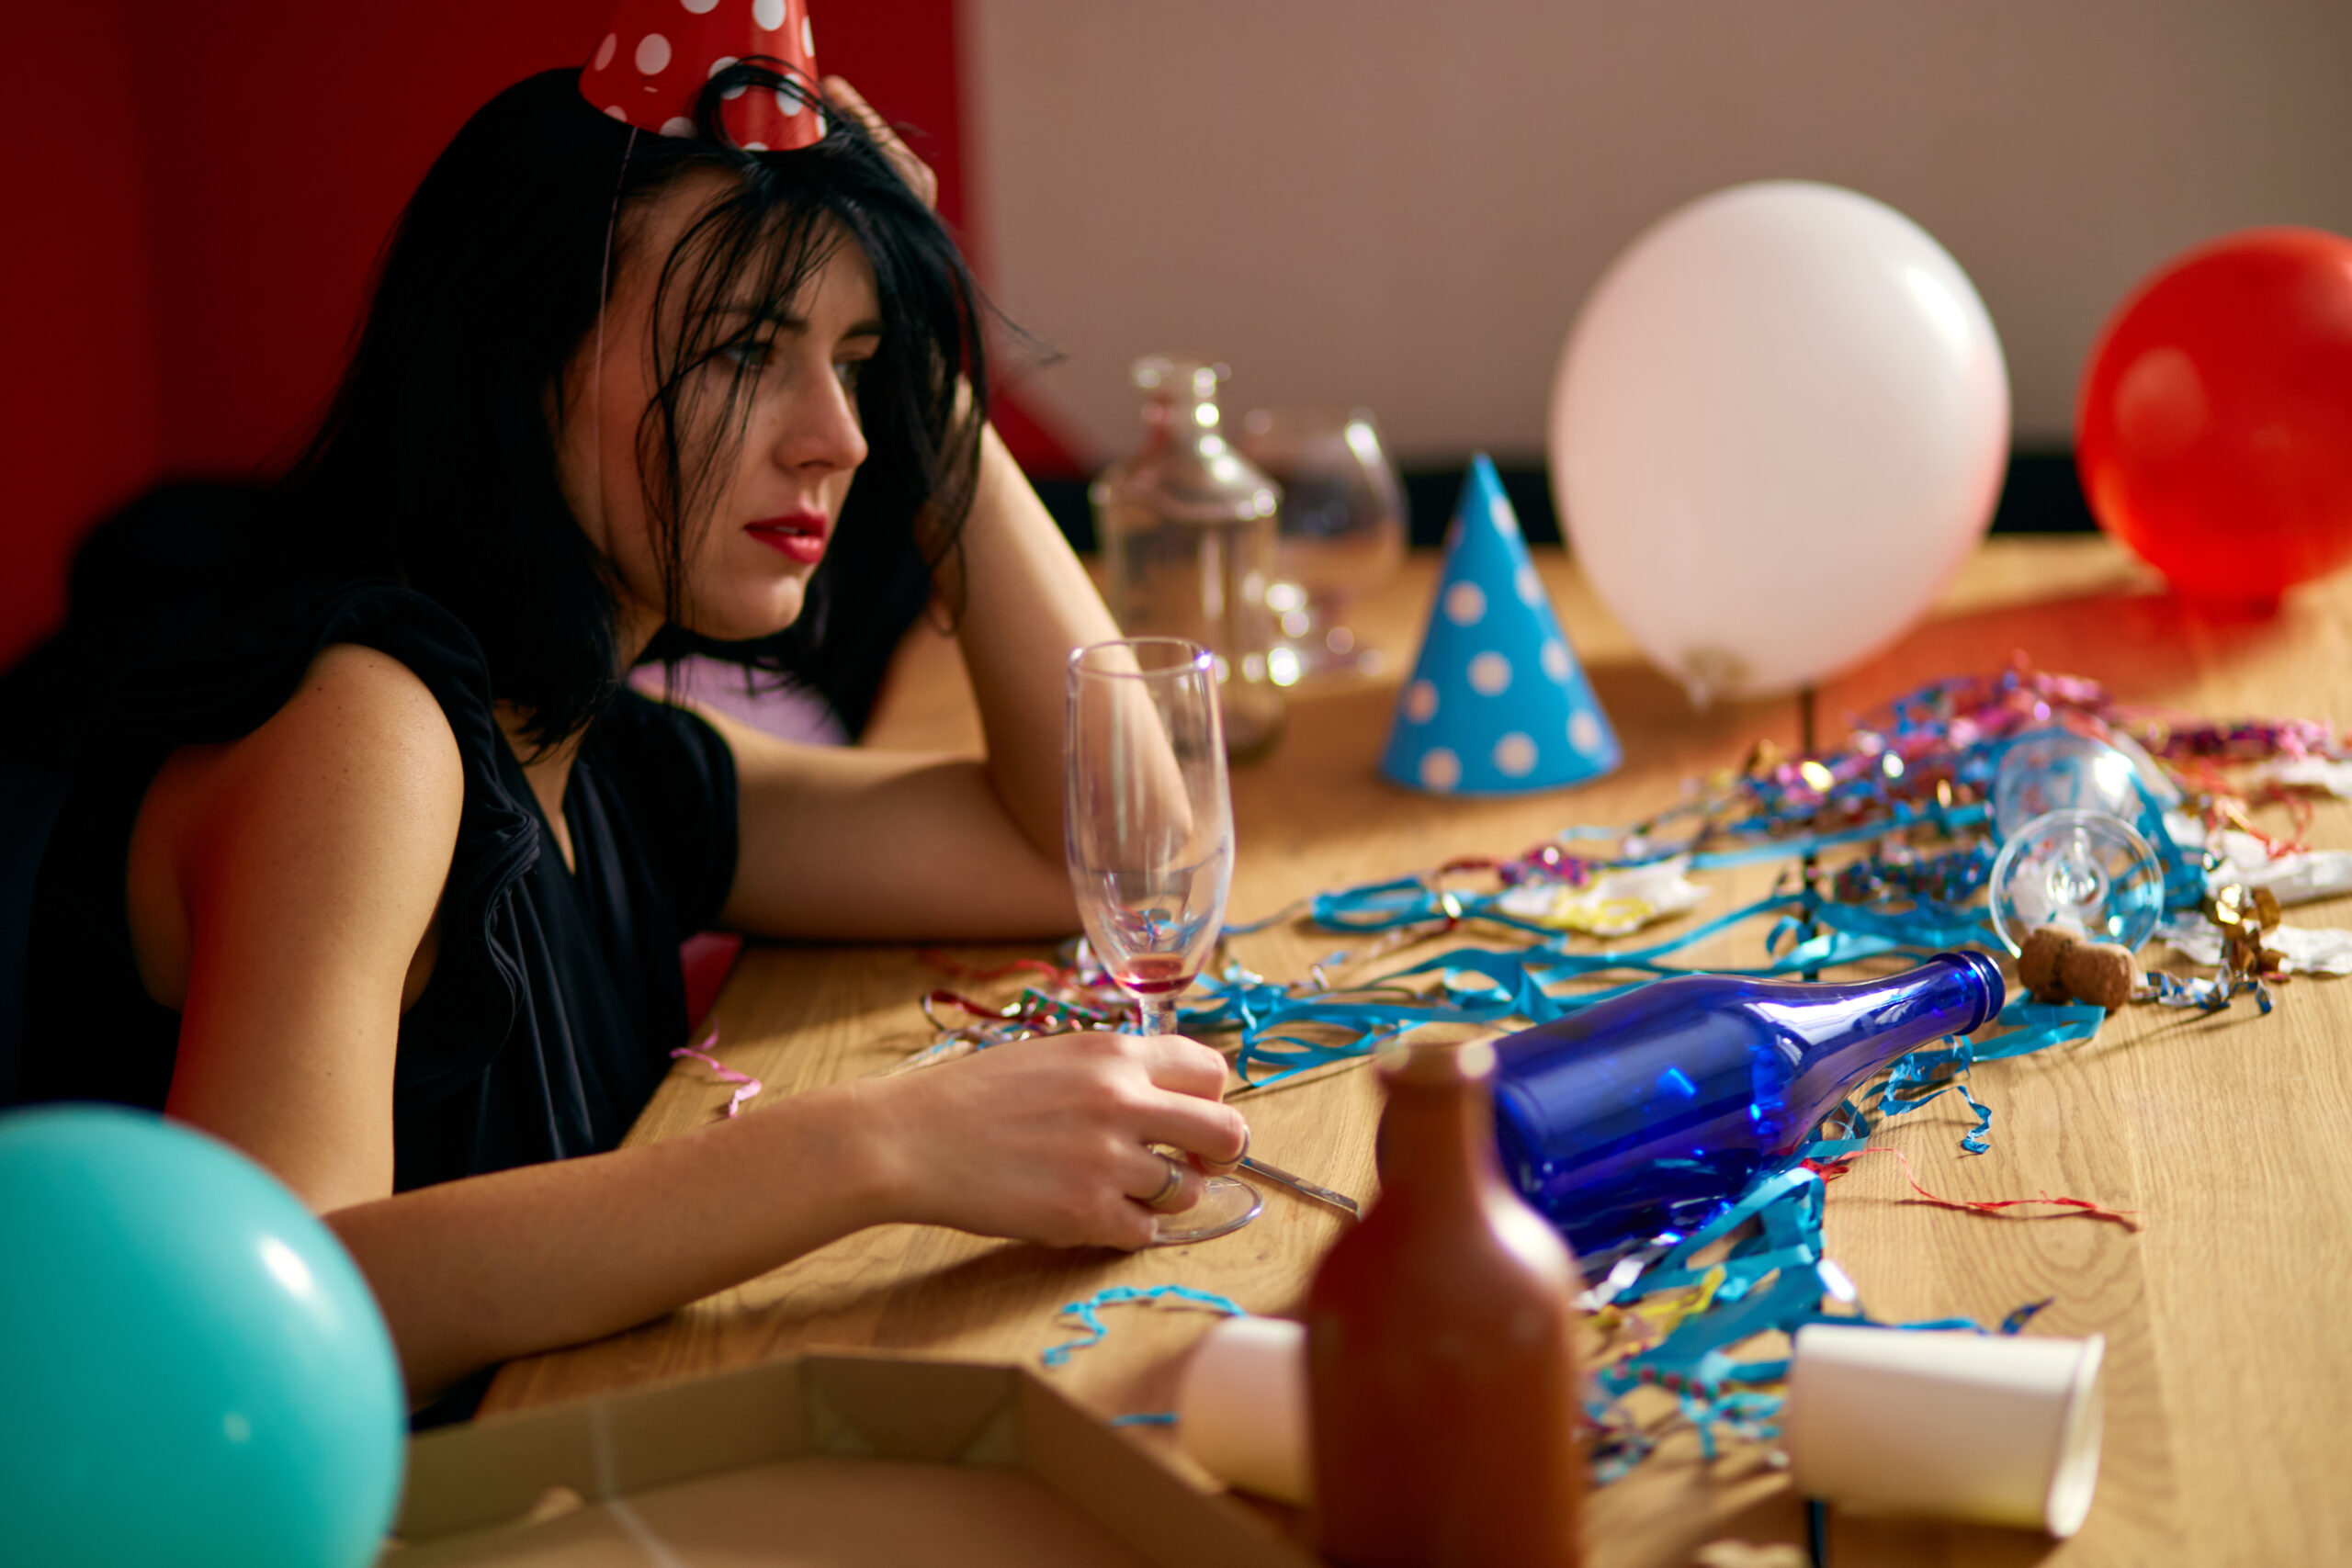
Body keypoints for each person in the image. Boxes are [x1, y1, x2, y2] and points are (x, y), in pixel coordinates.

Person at [14, 62, 1248, 1418]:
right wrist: (877, 1147)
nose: (841, 441)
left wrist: (932, 378)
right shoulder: (364, 735)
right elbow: (263, 1317)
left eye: (856, 364)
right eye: (743, 351)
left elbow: (1112, 845)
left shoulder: (595, 751)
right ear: (518, 364)